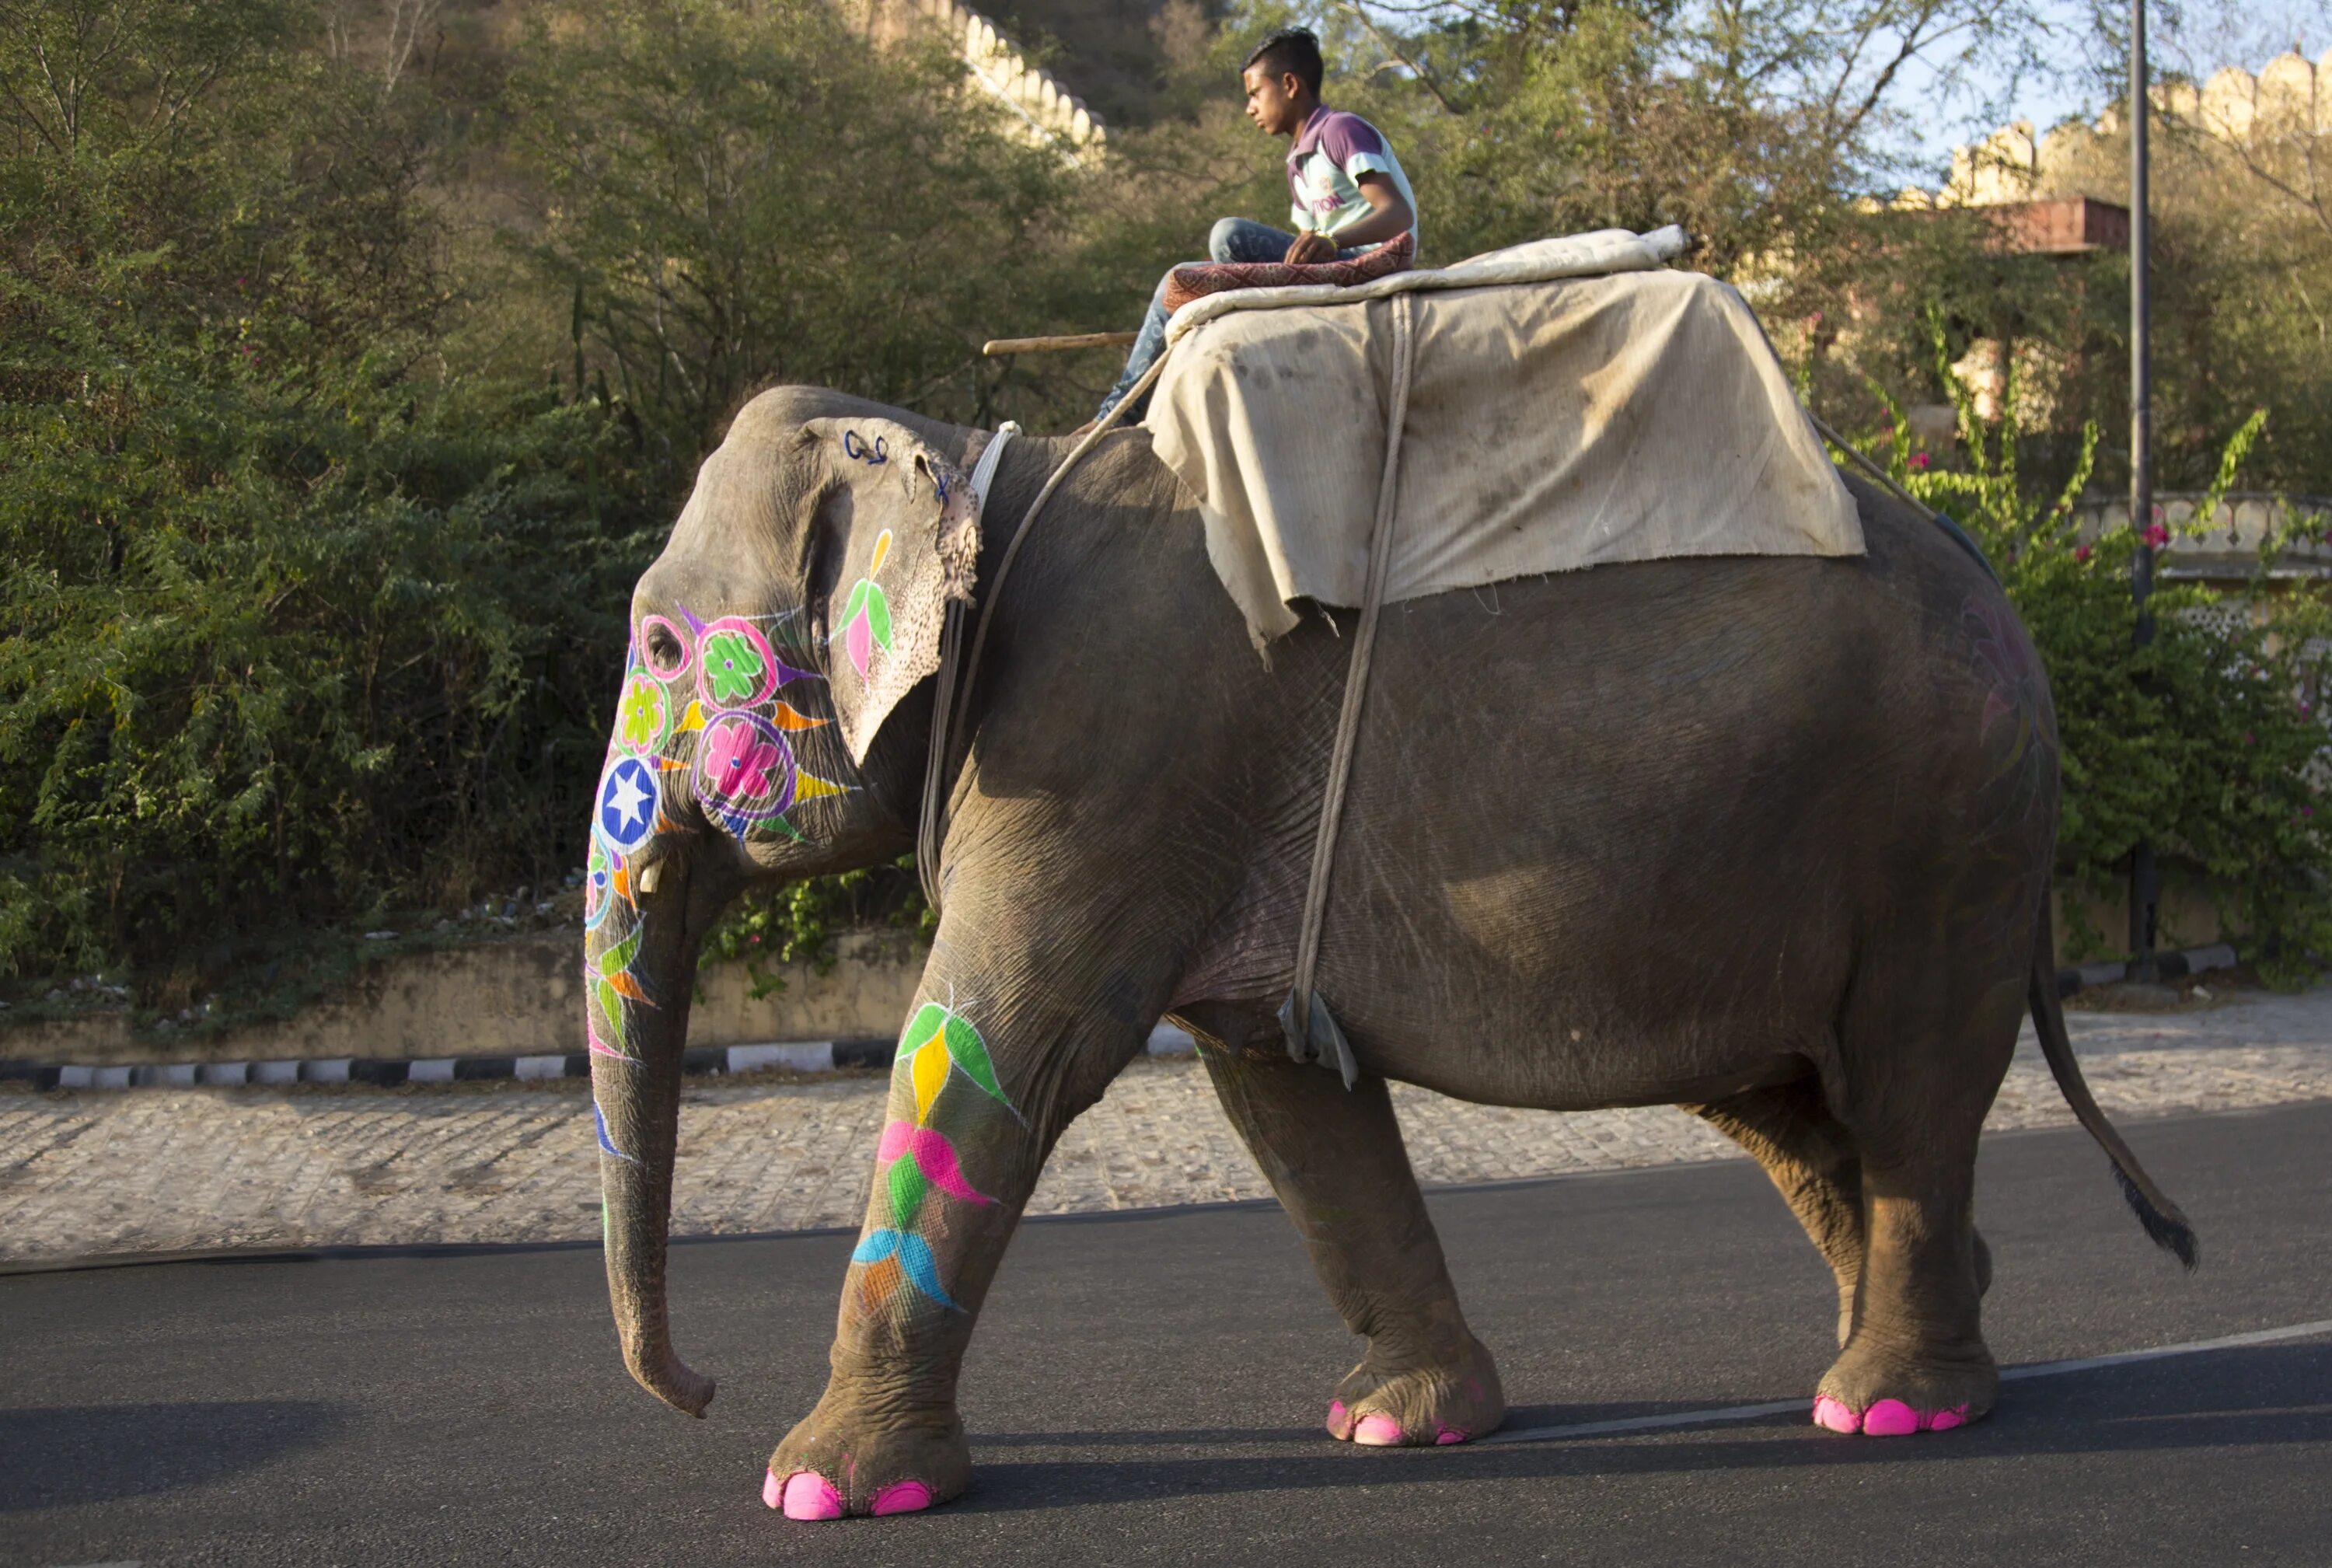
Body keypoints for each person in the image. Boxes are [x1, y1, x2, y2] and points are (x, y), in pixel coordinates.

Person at [1090, 26, 1418, 425]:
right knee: (1181, 279)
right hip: (1331, 262)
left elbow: (1398, 216)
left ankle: (1127, 410)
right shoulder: (1297, 161)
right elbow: (1303, 243)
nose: (1250, 108)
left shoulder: (1339, 130)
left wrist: (1332, 239)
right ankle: (1120, 413)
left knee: (1228, 236)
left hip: (1366, 261)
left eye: (1254, 94)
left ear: (1290, 85)